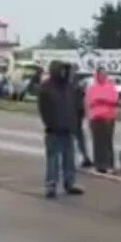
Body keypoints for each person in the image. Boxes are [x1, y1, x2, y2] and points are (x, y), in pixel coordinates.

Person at [37, 60, 84, 198]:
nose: (65, 73)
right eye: (62, 70)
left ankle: (69, 183)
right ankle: (51, 185)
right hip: (53, 130)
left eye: (66, 70)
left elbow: (76, 106)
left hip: (68, 128)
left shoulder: (69, 87)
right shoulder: (46, 88)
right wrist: (50, 124)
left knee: (69, 158)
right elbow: (43, 109)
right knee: (53, 159)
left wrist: (75, 123)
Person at [85, 68, 120, 173]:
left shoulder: (111, 86)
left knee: (107, 141)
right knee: (97, 142)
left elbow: (114, 100)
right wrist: (101, 101)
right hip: (96, 117)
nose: (103, 77)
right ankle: (99, 164)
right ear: (97, 75)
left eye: (105, 74)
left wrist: (102, 100)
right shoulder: (92, 88)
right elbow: (90, 102)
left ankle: (109, 164)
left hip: (108, 117)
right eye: (101, 75)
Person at [69, 64, 94, 169]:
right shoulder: (78, 83)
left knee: (72, 137)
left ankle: (76, 158)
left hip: (73, 113)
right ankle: (84, 157)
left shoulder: (70, 83)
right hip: (77, 112)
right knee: (79, 136)